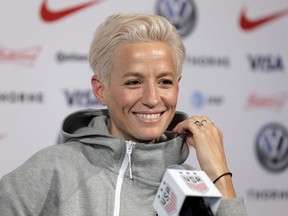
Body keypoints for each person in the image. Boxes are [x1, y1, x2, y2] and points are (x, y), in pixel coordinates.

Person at [0, 13, 247, 215]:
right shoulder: (55, 168)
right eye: (133, 82)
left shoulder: (195, 186)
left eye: (165, 82)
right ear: (100, 89)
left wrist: (219, 174)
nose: (152, 99)